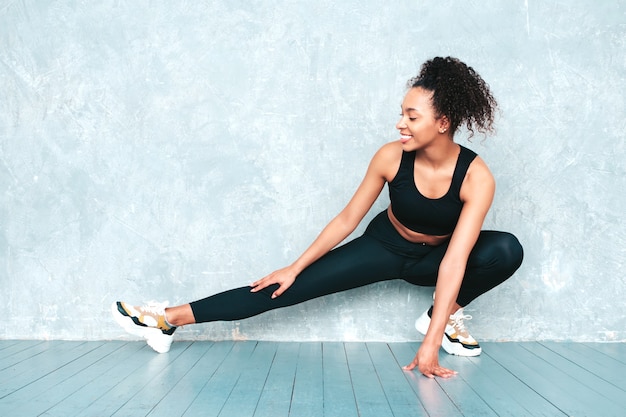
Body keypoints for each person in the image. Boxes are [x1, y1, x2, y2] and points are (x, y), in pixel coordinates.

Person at [112, 56, 523, 378]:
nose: (400, 123)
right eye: (402, 113)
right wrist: (295, 267)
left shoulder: (476, 177)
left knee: (505, 249)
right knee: (281, 288)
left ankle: (443, 318)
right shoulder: (390, 157)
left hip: (435, 259)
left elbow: (456, 259)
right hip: (383, 247)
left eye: (412, 117)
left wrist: (431, 340)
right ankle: (167, 320)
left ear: (443, 122)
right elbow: (347, 219)